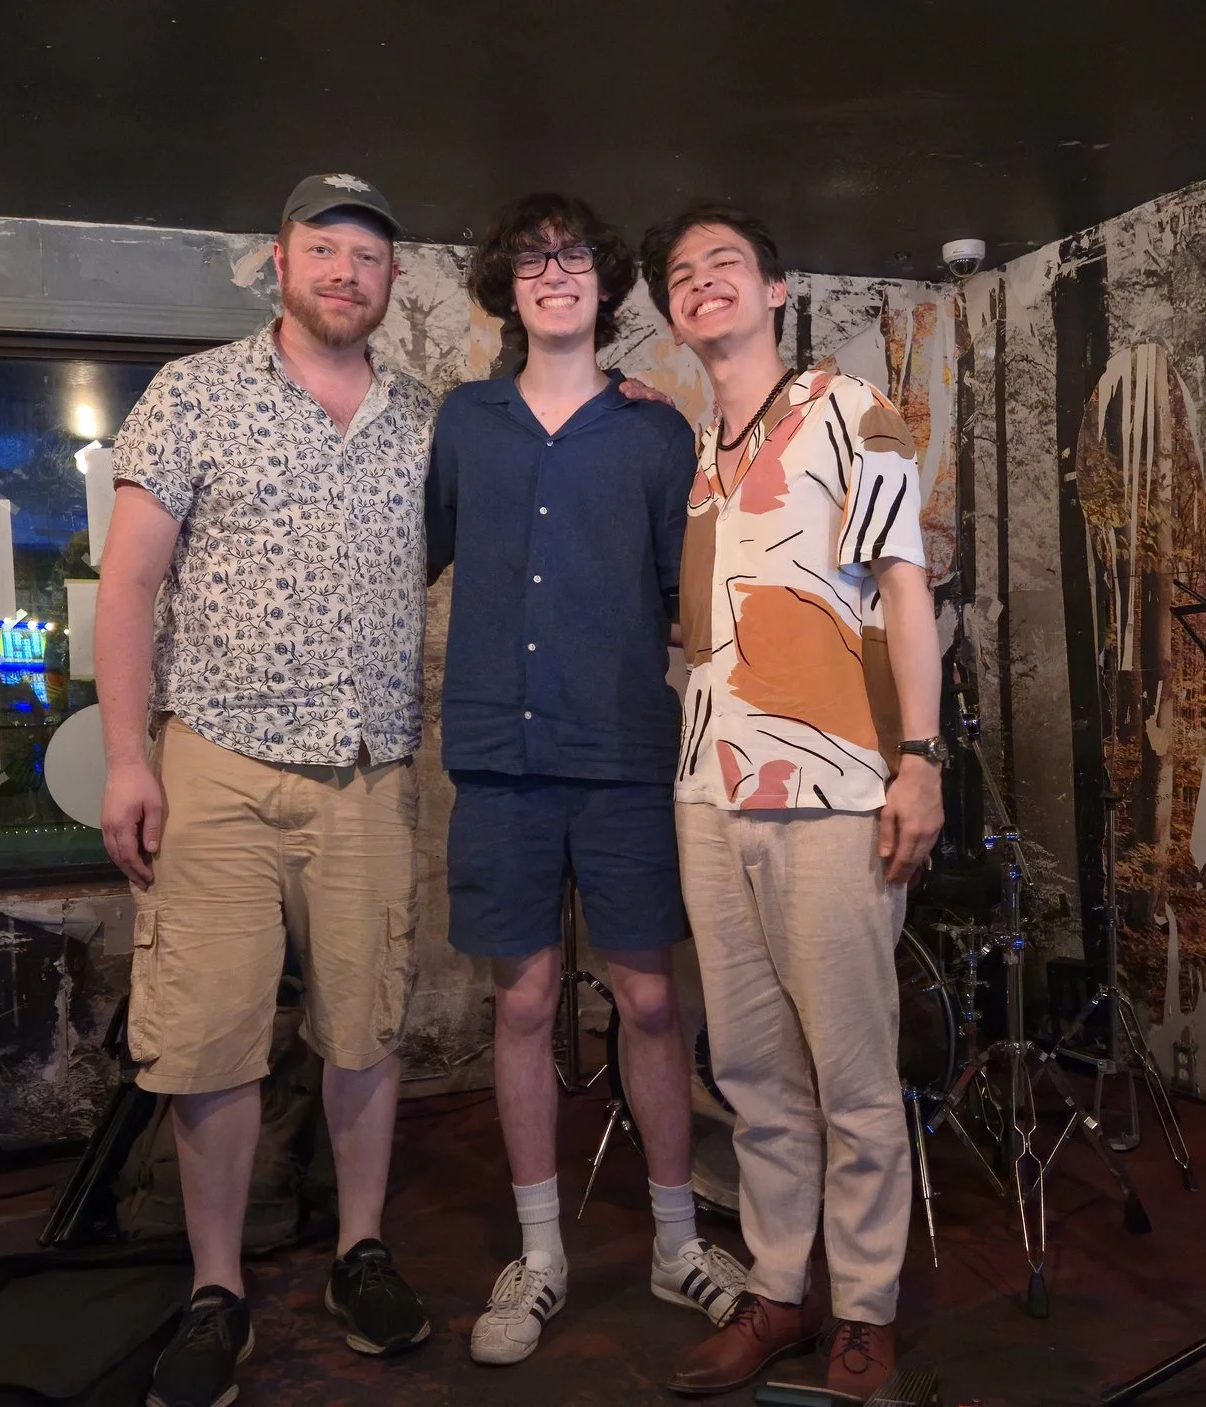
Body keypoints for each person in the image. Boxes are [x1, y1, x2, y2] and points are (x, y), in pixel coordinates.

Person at [97, 173, 437, 1407]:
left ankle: (361, 1251)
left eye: (368, 255)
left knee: (365, 1026)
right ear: (278, 263)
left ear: (390, 278)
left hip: (366, 769)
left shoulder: (424, 422)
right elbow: (129, 586)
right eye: (323, 247)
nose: (346, 271)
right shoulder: (194, 394)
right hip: (218, 765)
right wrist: (127, 758)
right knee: (211, 1041)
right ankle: (216, 1289)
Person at [425, 192, 751, 1367]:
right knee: (521, 1005)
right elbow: (410, 559)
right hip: (500, 758)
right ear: (505, 287)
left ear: (605, 284)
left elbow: (687, 599)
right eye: (532, 258)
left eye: (573, 257)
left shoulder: (655, 433)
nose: (554, 273)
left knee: (651, 1004)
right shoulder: (463, 423)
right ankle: (541, 1254)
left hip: (622, 756)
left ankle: (674, 1243)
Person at [639, 203, 944, 1404]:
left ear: (776, 289)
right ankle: (779, 1290)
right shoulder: (695, 456)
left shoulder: (846, 406)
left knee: (853, 1077)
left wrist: (918, 757)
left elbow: (904, 587)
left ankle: (864, 1310)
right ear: (672, 314)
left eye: (725, 263)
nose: (701, 282)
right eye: (680, 274)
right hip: (708, 790)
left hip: (833, 785)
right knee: (754, 1074)